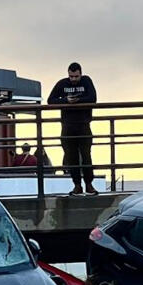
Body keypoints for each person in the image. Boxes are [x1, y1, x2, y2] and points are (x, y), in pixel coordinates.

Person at [47, 62, 98, 195]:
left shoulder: (87, 81)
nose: (73, 79)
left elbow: (93, 98)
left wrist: (77, 101)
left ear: (81, 74)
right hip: (67, 126)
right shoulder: (62, 84)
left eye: (76, 76)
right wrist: (65, 101)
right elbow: (50, 100)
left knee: (86, 156)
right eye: (71, 76)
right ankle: (77, 185)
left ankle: (89, 184)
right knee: (71, 157)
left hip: (83, 125)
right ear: (68, 74)